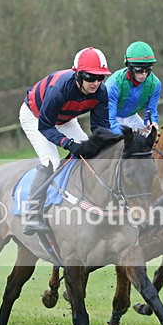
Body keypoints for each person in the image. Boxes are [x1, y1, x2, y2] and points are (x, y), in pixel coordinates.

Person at [19, 47, 112, 235]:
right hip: (35, 116)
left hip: (65, 119)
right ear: (78, 75)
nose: (95, 83)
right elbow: (45, 126)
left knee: (92, 155)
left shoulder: (101, 93)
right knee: (50, 161)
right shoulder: (59, 89)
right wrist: (68, 144)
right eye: (90, 77)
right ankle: (32, 214)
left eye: (100, 78)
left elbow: (101, 129)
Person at [104, 41, 161, 135]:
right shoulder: (113, 84)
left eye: (148, 69)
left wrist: (152, 123)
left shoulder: (155, 84)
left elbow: (151, 112)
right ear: (129, 66)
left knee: (151, 141)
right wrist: (128, 136)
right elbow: (110, 119)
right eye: (139, 70)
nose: (144, 74)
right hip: (110, 119)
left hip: (131, 117)